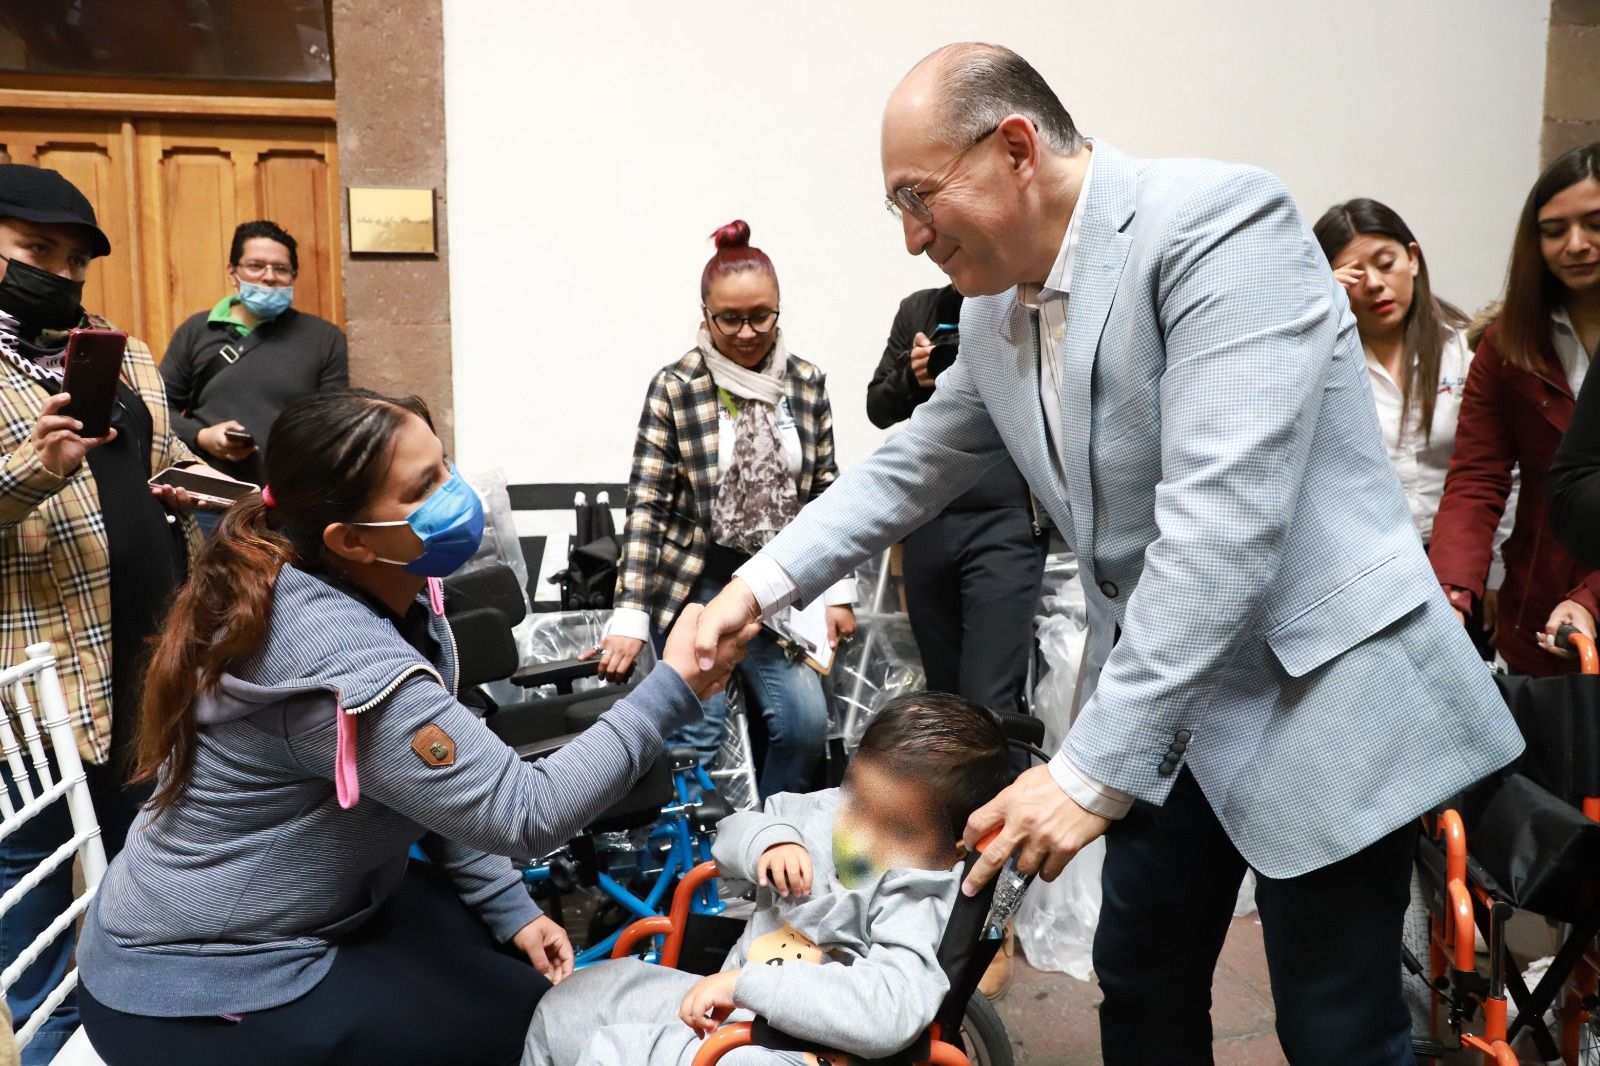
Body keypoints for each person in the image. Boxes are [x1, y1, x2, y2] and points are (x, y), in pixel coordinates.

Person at [689, 43, 1522, 1065]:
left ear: (1013, 148)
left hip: (1317, 689)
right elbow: (912, 461)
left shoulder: (1219, 225)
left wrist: (1084, 772)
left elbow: (1222, 523)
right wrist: (756, 586)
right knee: (1138, 982)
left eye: (918, 196)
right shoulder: (995, 312)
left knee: (1335, 1026)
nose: (910, 238)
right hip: (1170, 711)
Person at [75, 389, 756, 1066]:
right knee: (512, 1036)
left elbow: (433, 782)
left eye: (445, 467)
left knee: (519, 997)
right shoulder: (337, 657)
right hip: (195, 978)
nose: (453, 493)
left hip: (316, 902)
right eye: (423, 486)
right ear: (349, 539)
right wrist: (673, 690)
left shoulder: (380, 585)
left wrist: (507, 905)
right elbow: (525, 811)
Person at [0, 163, 223, 1064]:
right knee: (44, 893)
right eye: (33, 250)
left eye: (73, 258)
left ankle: (139, 1036)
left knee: (143, 884)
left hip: (153, 665)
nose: (58, 271)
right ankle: (60, 1045)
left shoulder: (118, 351)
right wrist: (34, 468)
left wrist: (210, 492)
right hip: (40, 694)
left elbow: (160, 457)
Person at [522, 692, 1010, 1066]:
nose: (858, 829)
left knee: (611, 1053)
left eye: (894, 825)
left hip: (804, 1048)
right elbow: (731, 833)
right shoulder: (817, 811)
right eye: (858, 797)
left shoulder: (918, 890)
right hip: (727, 997)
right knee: (567, 1004)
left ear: (954, 845)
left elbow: (892, 1010)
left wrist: (750, 986)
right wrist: (770, 842)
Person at [595, 221, 856, 798]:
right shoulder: (677, 386)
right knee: (695, 733)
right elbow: (648, 505)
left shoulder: (805, 384)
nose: (745, 332)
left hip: (783, 577)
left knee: (805, 728)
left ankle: (769, 844)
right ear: (706, 314)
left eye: (761, 316)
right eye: (729, 319)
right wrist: (631, 612)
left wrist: (838, 592)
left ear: (780, 310)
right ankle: (694, 870)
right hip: (700, 578)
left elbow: (825, 492)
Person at [1314, 198, 1515, 656]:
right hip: (1363, 566)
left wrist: (1498, 572)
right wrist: (1317, 303)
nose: (1376, 285)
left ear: (1414, 258)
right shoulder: (1323, 359)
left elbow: (1501, 470)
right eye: (1353, 276)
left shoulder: (1463, 347)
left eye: (1386, 264)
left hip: (1462, 562)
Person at [1431, 143, 1600, 676]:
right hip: (1538, 610)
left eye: (1595, 223)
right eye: (1553, 231)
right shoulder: (1507, 345)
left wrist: (1592, 599)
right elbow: (1477, 477)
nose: (1576, 245)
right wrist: (1452, 591)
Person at [867, 283, 1046, 714]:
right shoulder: (919, 309)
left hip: (1006, 518)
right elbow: (878, 407)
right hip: (928, 517)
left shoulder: (1024, 303)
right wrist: (912, 376)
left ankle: (1009, 782)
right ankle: (959, 784)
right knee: (943, 701)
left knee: (991, 697)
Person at [161, 219, 349, 486]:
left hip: (291, 497)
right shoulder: (196, 330)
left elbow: (335, 422)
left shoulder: (324, 338)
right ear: (232, 273)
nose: (269, 276)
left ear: (293, 276)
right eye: (256, 266)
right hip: (210, 493)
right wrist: (202, 436)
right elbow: (156, 409)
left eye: (281, 269)